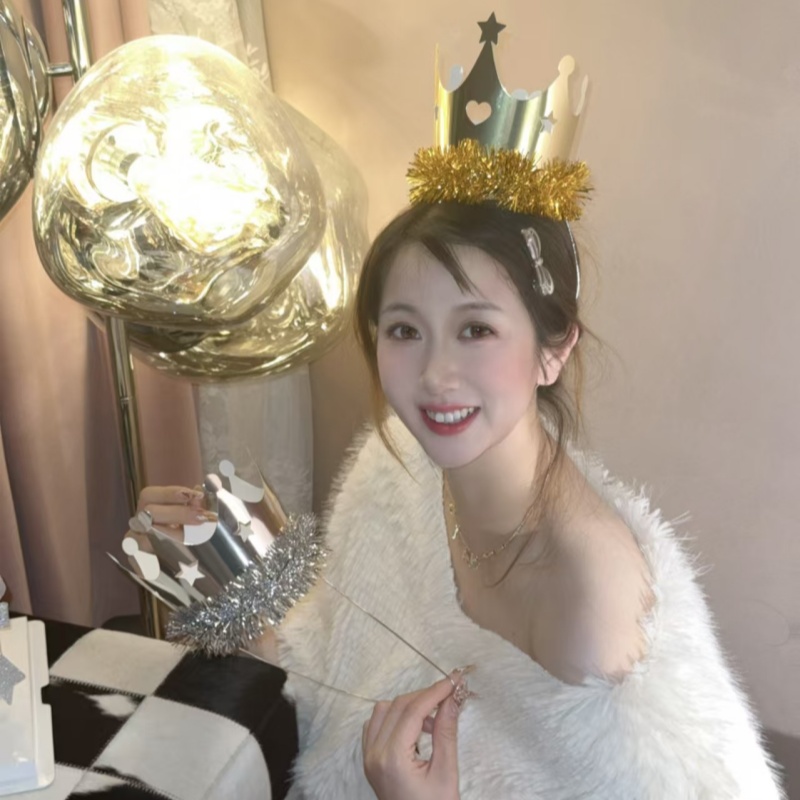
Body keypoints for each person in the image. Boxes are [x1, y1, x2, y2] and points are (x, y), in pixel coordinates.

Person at [131, 195, 785, 799]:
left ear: (554, 350)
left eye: (475, 330)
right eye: (404, 331)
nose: (435, 375)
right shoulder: (397, 468)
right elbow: (331, 673)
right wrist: (228, 580)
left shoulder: (588, 609)